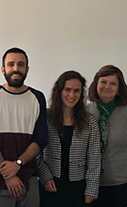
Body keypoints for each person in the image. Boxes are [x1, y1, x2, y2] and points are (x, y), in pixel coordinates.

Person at [0, 47, 48, 207]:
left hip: (29, 181)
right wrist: (8, 174)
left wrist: (17, 164)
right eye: (11, 64)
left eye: (21, 64)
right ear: (3, 68)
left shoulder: (38, 98)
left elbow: (40, 139)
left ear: (27, 69)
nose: (16, 69)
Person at [87, 65, 127, 207]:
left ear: (119, 89)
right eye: (103, 82)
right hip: (91, 186)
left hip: (124, 185)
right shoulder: (85, 112)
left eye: (113, 83)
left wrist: (126, 163)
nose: (107, 86)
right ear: (96, 84)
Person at [37, 71, 101, 207]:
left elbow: (94, 158)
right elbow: (36, 152)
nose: (72, 95)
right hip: (51, 183)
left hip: (78, 186)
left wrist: (91, 189)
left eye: (76, 91)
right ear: (59, 91)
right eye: (67, 90)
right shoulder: (45, 118)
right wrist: (45, 177)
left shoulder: (89, 121)